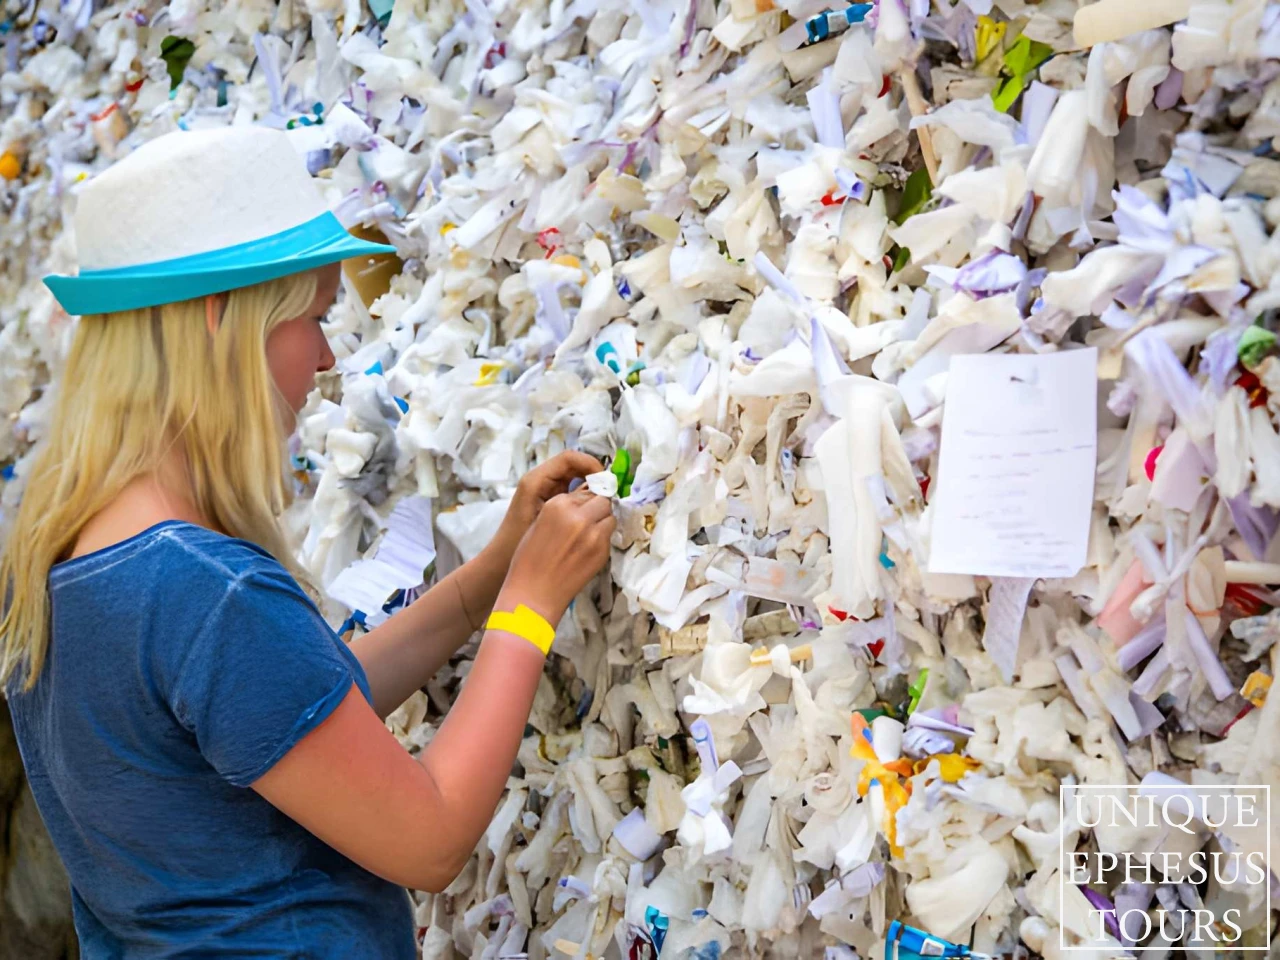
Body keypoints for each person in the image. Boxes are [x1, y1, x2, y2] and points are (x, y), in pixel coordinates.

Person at [2, 126, 616, 958]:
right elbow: (431, 838)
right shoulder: (206, 592)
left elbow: (301, 713)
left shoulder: (65, 562)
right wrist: (529, 609)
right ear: (221, 317)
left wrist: (495, 571)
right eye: (314, 317)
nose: (327, 358)